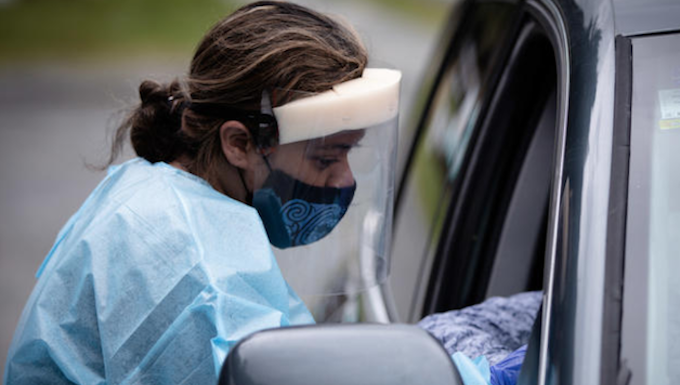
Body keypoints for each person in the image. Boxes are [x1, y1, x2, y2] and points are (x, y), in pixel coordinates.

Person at [3, 2, 401, 384]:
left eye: (351, 151)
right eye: (326, 158)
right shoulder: (199, 278)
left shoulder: (157, 191)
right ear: (240, 144)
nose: (344, 180)